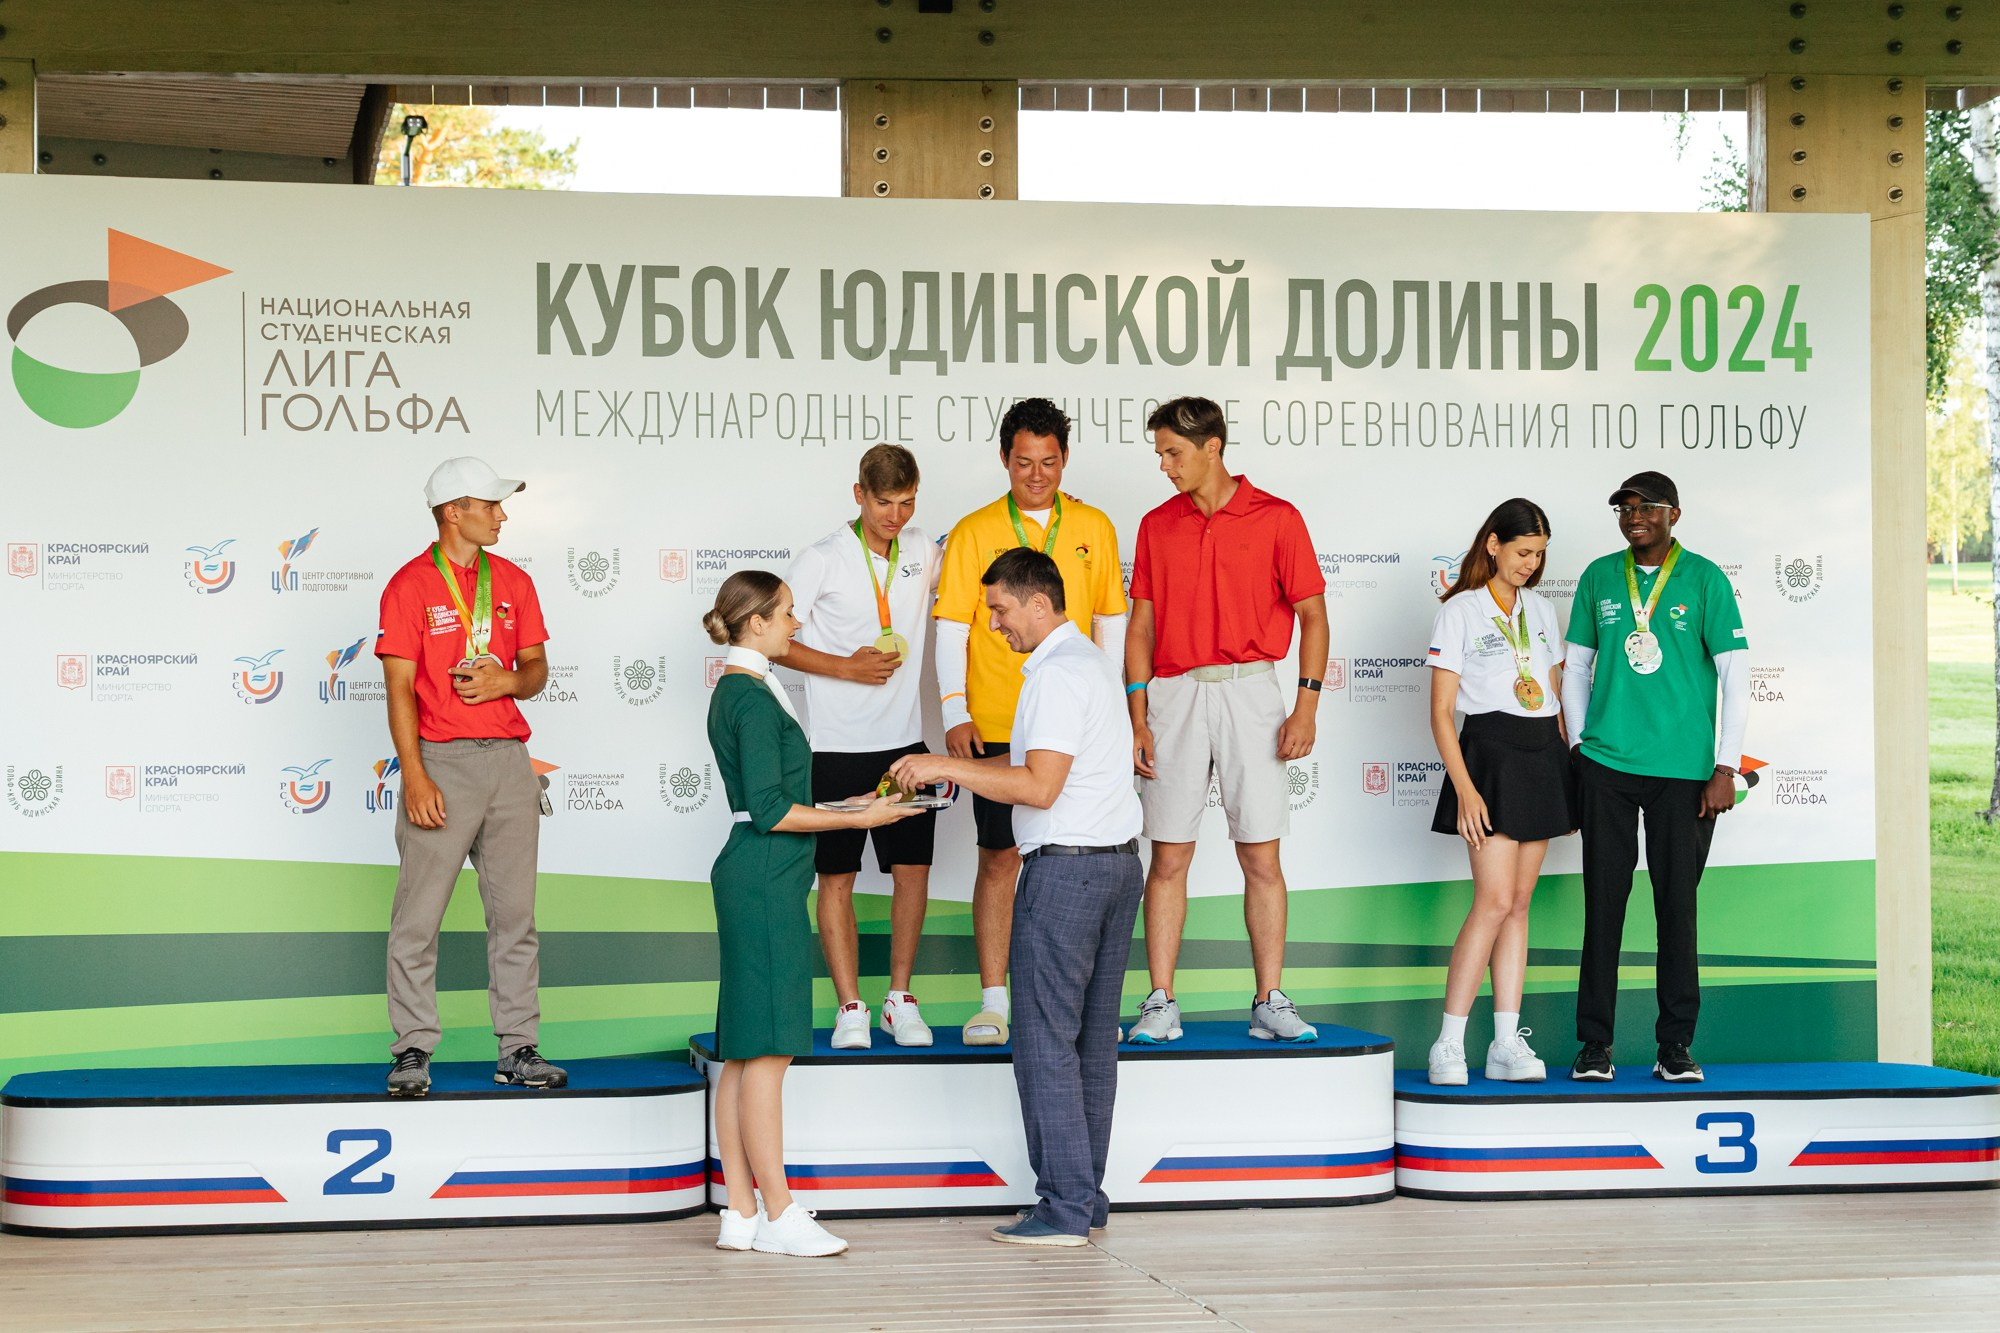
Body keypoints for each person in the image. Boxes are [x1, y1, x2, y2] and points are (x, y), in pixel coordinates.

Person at [891, 548, 1142, 1246]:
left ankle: (1061, 1207)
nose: (994, 625)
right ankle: (1083, 1199)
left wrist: (943, 762)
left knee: (1045, 1042)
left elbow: (1039, 787)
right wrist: (959, 770)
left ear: (1039, 602)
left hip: (1067, 875)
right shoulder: (1087, 663)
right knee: (1090, 1044)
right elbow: (1036, 765)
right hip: (1116, 869)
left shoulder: (1058, 675)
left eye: (999, 609)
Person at [702, 570, 920, 1257]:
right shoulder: (752, 697)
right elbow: (771, 810)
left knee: (742, 1052)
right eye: (790, 615)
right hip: (765, 878)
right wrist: (861, 818)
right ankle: (780, 1211)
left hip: (754, 872)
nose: (798, 626)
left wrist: (855, 808)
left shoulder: (741, 688)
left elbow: (765, 803)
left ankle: (741, 1211)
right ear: (757, 622)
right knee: (766, 1054)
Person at [1123, 396, 1328, 1045]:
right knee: (1168, 854)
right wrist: (1137, 714)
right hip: (1174, 694)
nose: (1164, 464)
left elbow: (1315, 617)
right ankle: (1160, 1000)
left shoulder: (1277, 517)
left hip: (1251, 691)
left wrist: (1306, 705)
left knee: (1260, 854)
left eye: (1172, 452)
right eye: (1159, 453)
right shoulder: (1157, 524)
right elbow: (1142, 625)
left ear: (1212, 446)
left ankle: (1270, 997)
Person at [934, 398, 1127, 1046]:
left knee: (1078, 856)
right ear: (1003, 459)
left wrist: (1124, 709)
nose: (1037, 474)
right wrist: (955, 710)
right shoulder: (972, 529)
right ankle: (995, 1001)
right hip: (995, 718)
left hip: (1079, 726)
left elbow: (1111, 623)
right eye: (1024, 462)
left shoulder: (1095, 526)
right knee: (1000, 857)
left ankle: (1072, 1003)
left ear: (1065, 458)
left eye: (1049, 461)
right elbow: (952, 624)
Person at [377, 456, 563, 1097]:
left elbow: (536, 670)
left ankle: (519, 1048)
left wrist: (507, 682)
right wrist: (414, 774)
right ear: (453, 511)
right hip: (442, 763)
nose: (502, 514)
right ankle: (411, 1051)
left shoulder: (513, 580)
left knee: (516, 918)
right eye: (491, 505)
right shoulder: (408, 587)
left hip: (510, 764)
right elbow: (399, 688)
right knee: (418, 920)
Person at [1562, 471, 1747, 1084]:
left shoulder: (1705, 579)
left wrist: (1725, 766)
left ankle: (1675, 1048)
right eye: (1624, 507)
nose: (1633, 515)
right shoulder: (1597, 577)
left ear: (1675, 514)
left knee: (1677, 911)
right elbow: (1577, 670)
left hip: (1685, 775)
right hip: (1608, 768)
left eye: (1647, 507)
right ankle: (1595, 1046)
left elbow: (1736, 677)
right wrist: (1582, 746)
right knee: (1603, 910)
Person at [781, 444, 944, 1049]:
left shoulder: (924, 550)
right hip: (835, 749)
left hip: (904, 743)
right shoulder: (821, 559)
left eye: (906, 503)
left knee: (913, 872)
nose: (895, 516)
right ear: (858, 495)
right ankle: (851, 1005)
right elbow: (773, 639)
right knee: (837, 879)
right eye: (883, 503)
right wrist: (843, 669)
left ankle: (898, 999)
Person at [1423, 498, 1577, 1085]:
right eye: (1521, 552)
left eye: (1538, 555)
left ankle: (1506, 1042)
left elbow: (1558, 695)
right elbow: (1440, 714)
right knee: (1490, 901)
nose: (1530, 565)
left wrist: (1569, 764)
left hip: (1543, 755)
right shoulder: (1459, 611)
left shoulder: (1541, 609)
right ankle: (1449, 1044)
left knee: (1517, 904)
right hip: (1488, 754)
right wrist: (1465, 789)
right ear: (1493, 543)